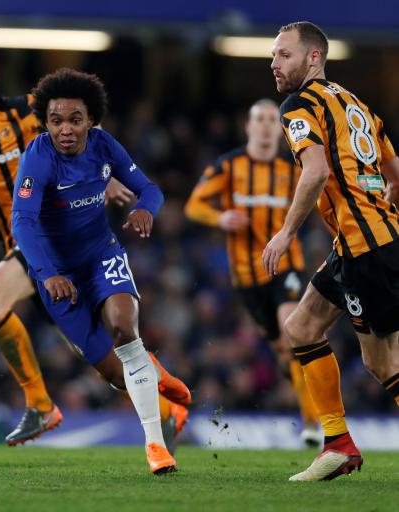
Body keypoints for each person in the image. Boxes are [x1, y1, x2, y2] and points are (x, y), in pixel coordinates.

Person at [0, 51, 187, 448]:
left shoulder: (23, 110)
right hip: (22, 242)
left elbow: (79, 123)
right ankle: (165, 411)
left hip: (50, 238)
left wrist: (102, 175)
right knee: (102, 360)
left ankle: (45, 405)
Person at [11, 68, 191, 474]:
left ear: (91, 120)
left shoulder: (105, 147)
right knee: (115, 373)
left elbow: (151, 189)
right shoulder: (38, 157)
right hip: (57, 277)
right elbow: (22, 221)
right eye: (56, 120)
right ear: (45, 122)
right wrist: (48, 272)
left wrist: (145, 209)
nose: (66, 129)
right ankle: (159, 380)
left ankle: (155, 448)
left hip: (100, 256)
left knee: (125, 330)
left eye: (75, 119)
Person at [264, 21, 399, 481]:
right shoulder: (358, 105)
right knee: (300, 328)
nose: (274, 63)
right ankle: (338, 444)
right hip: (363, 243)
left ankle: (339, 443)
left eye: (284, 55)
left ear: (314, 58)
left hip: (367, 250)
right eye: (273, 56)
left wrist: (285, 233)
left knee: (383, 363)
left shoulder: (299, 104)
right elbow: (395, 174)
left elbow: (316, 171)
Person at [185, 99, 321, 446]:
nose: (264, 125)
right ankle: (305, 403)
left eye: (271, 120)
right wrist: (221, 218)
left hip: (286, 265)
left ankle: (311, 423)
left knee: (294, 332)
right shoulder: (229, 166)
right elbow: (194, 205)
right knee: (281, 349)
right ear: (248, 126)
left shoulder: (292, 168)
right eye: (258, 119)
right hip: (246, 275)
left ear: (280, 128)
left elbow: (319, 198)